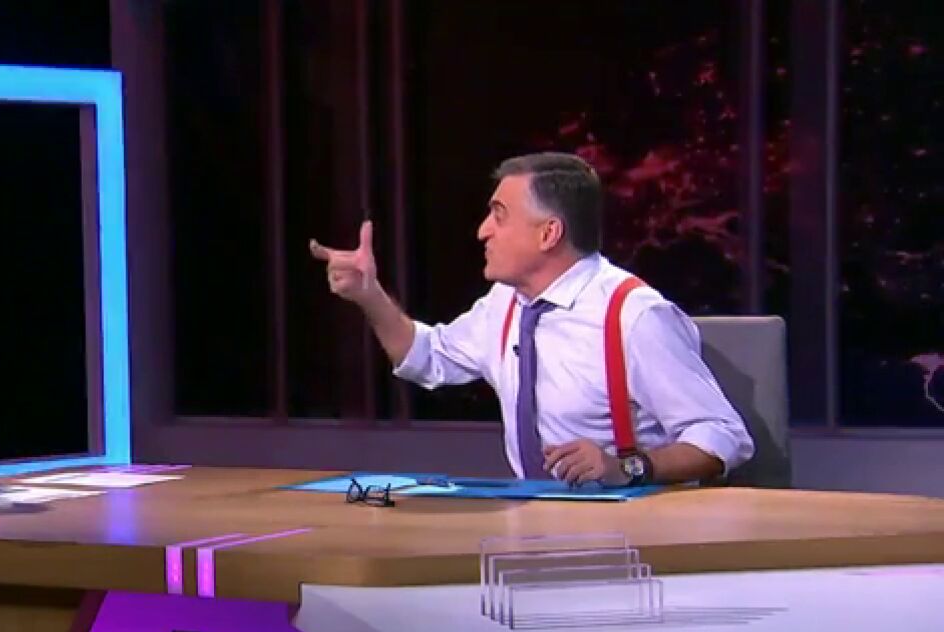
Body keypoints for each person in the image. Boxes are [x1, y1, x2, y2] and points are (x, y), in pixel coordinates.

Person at [310, 151, 753, 487]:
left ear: (549, 233)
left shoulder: (635, 317)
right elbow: (427, 357)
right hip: (533, 522)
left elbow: (723, 435)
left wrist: (627, 467)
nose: (482, 231)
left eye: (498, 217)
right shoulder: (505, 303)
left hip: (633, 535)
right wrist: (369, 295)